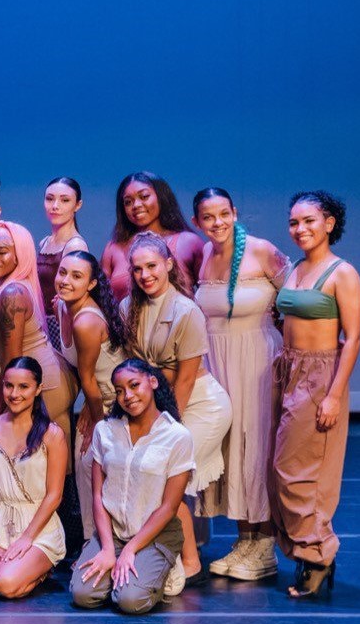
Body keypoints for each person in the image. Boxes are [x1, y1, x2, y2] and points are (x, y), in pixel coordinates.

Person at [191, 188, 289, 581]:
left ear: (235, 212)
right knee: (231, 446)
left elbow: (295, 298)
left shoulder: (262, 251)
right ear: (197, 222)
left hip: (256, 360)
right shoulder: (204, 254)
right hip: (218, 362)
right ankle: (245, 538)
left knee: (256, 442)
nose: (217, 224)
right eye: (208, 217)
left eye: (223, 214)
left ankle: (265, 544)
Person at [122, 232, 232, 585]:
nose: (145, 275)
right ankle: (159, 548)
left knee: (166, 476)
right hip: (158, 404)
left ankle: (189, 561)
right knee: (152, 475)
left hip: (196, 404)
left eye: (152, 265)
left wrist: (165, 429)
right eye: (137, 269)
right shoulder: (129, 308)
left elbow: (183, 381)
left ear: (169, 263)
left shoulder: (186, 311)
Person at [273, 191, 360, 598]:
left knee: (302, 471)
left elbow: (354, 337)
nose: (300, 229)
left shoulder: (342, 273)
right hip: (287, 369)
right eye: (294, 222)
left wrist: (333, 395)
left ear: (329, 222)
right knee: (281, 468)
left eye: (309, 220)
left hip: (319, 374)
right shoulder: (295, 268)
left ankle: (318, 554)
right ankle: (308, 551)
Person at [70, 359, 194, 614]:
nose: (127, 395)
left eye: (134, 385)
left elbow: (170, 507)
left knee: (130, 601)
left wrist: (130, 550)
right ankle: (119, 569)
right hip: (112, 532)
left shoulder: (177, 436)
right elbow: (97, 495)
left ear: (153, 381)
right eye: (119, 390)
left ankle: (162, 567)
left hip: (154, 534)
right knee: (83, 595)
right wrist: (107, 548)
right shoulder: (105, 430)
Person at [0, 357, 67, 599]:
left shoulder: (52, 435)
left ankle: (41, 569)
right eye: (9, 386)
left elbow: (55, 495)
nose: (14, 393)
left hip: (35, 524)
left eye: (23, 387)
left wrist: (26, 539)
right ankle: (8, 564)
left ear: (38, 388)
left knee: (6, 584)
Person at [0, 220, 77, 438]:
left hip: (43, 388)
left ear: (19, 255)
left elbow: (12, 359)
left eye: (2, 252)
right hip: (36, 382)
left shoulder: (13, 294)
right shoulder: (8, 286)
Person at [52, 250, 129, 528]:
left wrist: (99, 426)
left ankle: (107, 537)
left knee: (92, 462)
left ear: (92, 284)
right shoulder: (62, 307)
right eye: (62, 273)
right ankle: (91, 539)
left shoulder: (86, 322)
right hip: (95, 396)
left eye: (76, 276)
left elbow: (89, 379)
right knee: (84, 462)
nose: (65, 281)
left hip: (115, 402)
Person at [100, 171, 204, 301]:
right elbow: (102, 301)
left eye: (144, 196)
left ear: (161, 197)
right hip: (123, 321)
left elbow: (211, 297)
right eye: (128, 202)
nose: (136, 205)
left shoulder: (188, 242)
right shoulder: (113, 248)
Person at [37, 177, 89, 343]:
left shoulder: (75, 246)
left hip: (63, 324)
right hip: (41, 322)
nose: (55, 206)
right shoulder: (44, 242)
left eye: (65, 200)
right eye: (50, 199)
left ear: (78, 205)